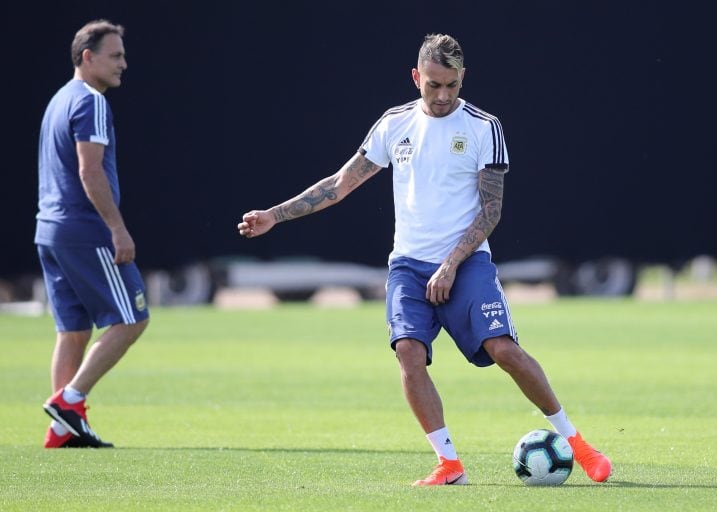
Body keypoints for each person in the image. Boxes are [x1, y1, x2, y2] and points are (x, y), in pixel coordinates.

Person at [237, 33, 612, 485]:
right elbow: (339, 184)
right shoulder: (394, 125)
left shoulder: (483, 127)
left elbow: (491, 210)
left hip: (467, 261)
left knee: (503, 350)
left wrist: (451, 264)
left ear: (462, 79)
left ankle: (576, 443)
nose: (442, 95)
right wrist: (274, 216)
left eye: (451, 85)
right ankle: (449, 464)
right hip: (409, 266)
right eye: (433, 84)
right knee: (408, 353)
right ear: (416, 77)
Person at [35, 20, 149, 448]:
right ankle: (70, 401)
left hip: (50, 228)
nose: (124, 64)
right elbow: (89, 170)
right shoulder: (91, 101)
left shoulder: (59, 99)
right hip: (85, 230)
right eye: (115, 55)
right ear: (88, 56)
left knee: (73, 329)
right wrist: (117, 229)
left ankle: (62, 431)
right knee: (132, 318)